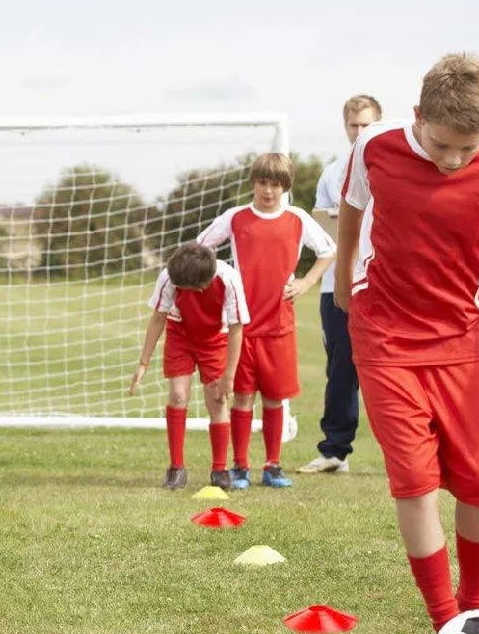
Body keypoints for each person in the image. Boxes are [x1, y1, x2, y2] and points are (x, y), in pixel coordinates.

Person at [336, 53, 479, 631]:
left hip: (462, 340)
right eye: (441, 146)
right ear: (417, 117)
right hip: (384, 335)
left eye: (469, 147)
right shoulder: (374, 146)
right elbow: (352, 209)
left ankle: (474, 612)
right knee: (414, 480)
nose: (455, 161)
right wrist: (341, 284)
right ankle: (446, 626)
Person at [198, 153, 336, 489]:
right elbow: (202, 248)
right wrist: (221, 282)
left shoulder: (298, 219)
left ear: (285, 187)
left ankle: (273, 466)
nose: (268, 191)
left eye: (275, 184)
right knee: (243, 397)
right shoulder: (235, 218)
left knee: (275, 398)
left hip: (279, 325)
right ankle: (241, 466)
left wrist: (305, 282)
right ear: (253, 183)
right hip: (241, 326)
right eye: (262, 183)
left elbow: (328, 250)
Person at [296, 95, 382, 475]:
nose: (360, 132)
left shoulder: (396, 170)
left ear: (378, 124)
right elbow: (321, 228)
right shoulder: (332, 173)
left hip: (385, 283)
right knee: (341, 368)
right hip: (338, 285)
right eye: (354, 126)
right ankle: (335, 451)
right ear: (345, 127)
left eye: (367, 125)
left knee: (391, 368)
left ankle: (412, 454)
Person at [129, 242, 249, 490]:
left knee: (217, 401)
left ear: (201, 286)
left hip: (215, 338)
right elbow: (158, 318)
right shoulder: (170, 275)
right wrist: (143, 362)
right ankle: (176, 468)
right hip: (180, 335)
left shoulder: (229, 280)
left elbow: (237, 329)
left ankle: (219, 470)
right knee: (178, 394)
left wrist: (229, 375)